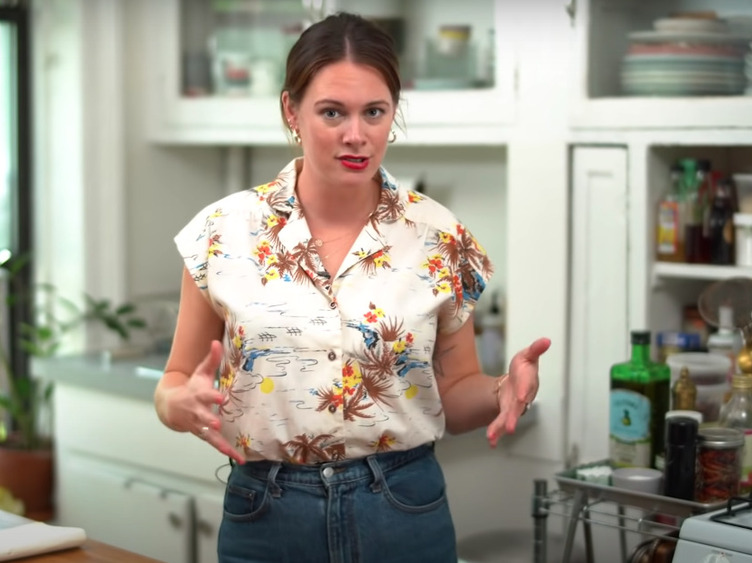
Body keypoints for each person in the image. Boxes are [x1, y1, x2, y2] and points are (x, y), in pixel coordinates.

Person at [154, 11, 551, 563]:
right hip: (267, 512)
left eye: (374, 112)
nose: (356, 135)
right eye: (332, 112)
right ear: (291, 110)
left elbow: (456, 395)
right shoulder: (222, 232)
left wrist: (503, 389)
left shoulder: (438, 236)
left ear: (394, 113)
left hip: (400, 506)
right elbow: (173, 382)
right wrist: (181, 402)